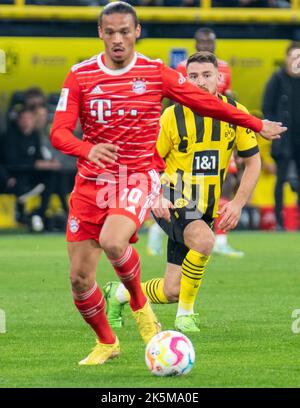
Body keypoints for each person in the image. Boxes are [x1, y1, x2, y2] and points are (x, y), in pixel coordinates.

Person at [50, 1, 285, 366]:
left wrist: (255, 124)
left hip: (136, 175)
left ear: (137, 32)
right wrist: (86, 148)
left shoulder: (155, 73)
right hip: (96, 182)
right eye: (109, 32)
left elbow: (208, 106)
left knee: (115, 241)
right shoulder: (80, 75)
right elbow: (59, 133)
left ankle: (147, 314)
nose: (117, 39)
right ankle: (107, 341)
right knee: (80, 279)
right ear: (100, 33)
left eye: (124, 31)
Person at [104, 51, 261, 333]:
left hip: (206, 207)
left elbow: (253, 161)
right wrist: (156, 195)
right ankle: (185, 316)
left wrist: (238, 203)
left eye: (206, 75)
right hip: (171, 194)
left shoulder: (236, 113)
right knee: (204, 240)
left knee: (172, 289)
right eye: (193, 76)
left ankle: (118, 294)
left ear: (219, 78)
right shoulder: (171, 117)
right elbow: (144, 161)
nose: (200, 81)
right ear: (184, 80)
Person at [262, 41, 300, 230]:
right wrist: (274, 127)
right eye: (293, 56)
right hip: (283, 139)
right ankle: (279, 222)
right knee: (281, 181)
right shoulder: (277, 79)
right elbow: (266, 107)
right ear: (286, 58)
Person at [176, 27, 232, 97]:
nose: (206, 46)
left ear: (215, 44)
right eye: (202, 42)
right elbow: (178, 94)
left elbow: (227, 92)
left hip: (217, 105)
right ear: (196, 44)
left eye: (209, 42)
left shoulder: (224, 66)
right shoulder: (183, 66)